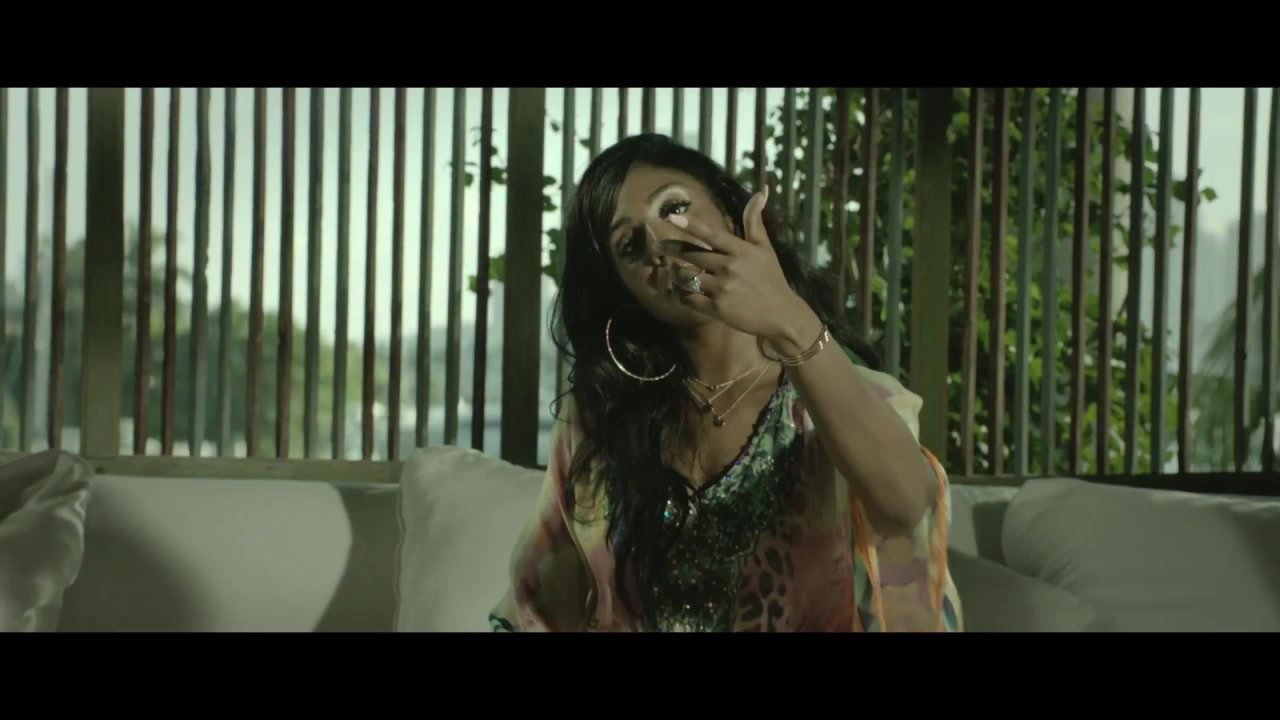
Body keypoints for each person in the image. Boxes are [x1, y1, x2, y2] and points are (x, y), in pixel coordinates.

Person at [489, 133, 962, 632]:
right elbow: (537, 607)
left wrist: (787, 317)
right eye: (631, 245)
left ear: (731, 214)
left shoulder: (838, 397)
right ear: (627, 292)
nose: (658, 246)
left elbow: (906, 506)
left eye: (674, 208)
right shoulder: (600, 417)